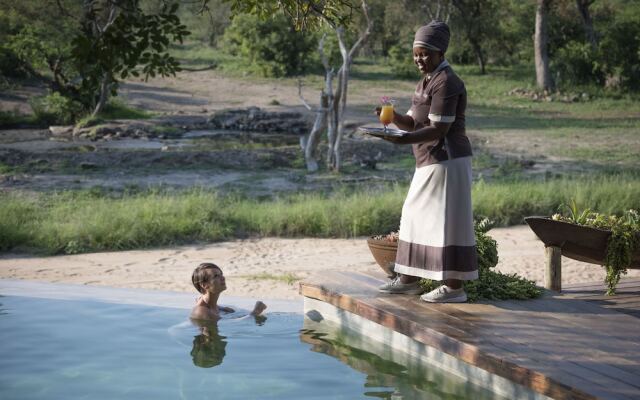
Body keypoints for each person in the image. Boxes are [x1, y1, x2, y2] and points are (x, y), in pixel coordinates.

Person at [376, 21, 478, 303]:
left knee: (448, 222)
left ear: (439, 53)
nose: (419, 59)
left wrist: (400, 141)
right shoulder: (426, 81)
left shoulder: (447, 82)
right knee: (414, 216)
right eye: (416, 53)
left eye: (425, 53)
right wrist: (392, 117)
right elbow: (412, 123)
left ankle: (454, 287)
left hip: (447, 160)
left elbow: (438, 130)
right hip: (429, 159)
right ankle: (409, 279)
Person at [190, 262, 267, 321]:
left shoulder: (214, 307)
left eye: (221, 274)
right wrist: (255, 312)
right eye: (216, 276)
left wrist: (221, 309)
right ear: (204, 285)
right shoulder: (201, 311)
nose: (223, 278)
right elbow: (230, 325)